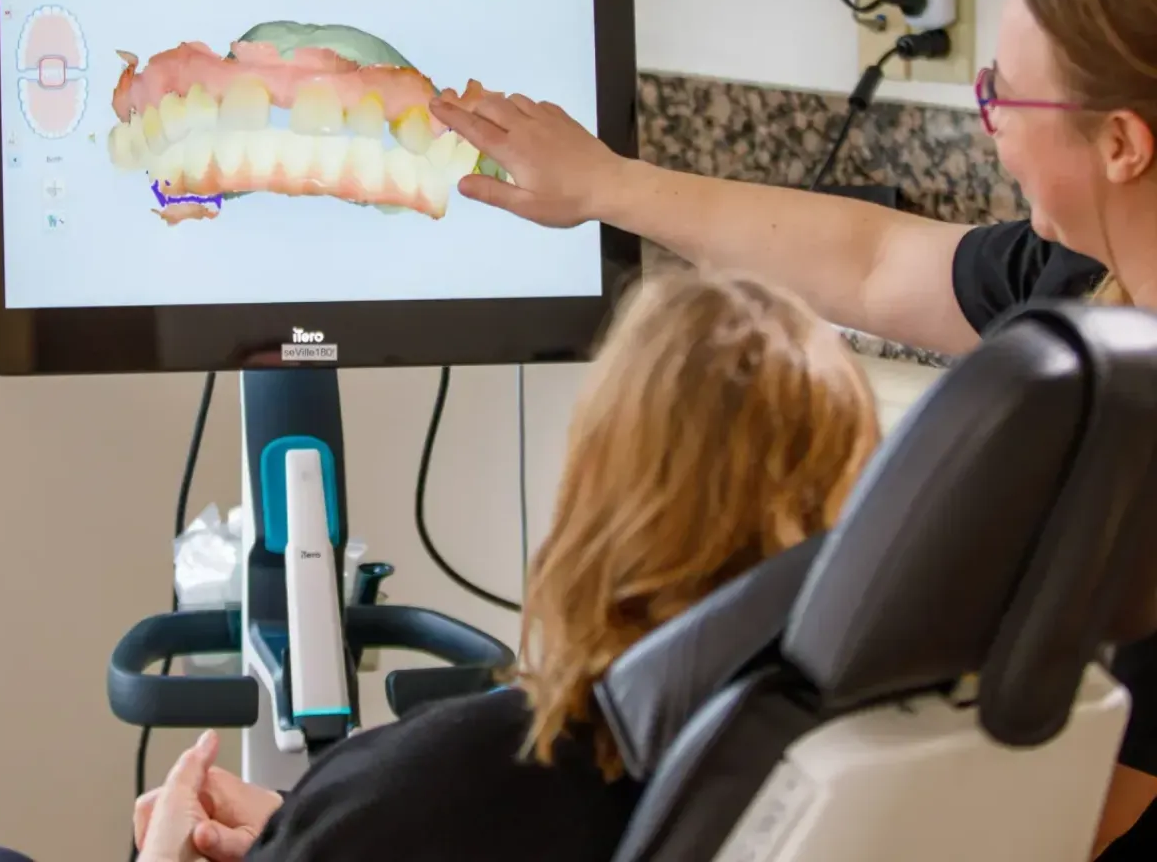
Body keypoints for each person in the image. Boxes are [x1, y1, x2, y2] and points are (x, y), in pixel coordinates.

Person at [428, 0, 1157, 857]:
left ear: (1120, 145)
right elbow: (872, 263)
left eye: (1005, 102)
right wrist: (603, 186)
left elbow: (1105, 808)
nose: (990, 131)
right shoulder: (1081, 278)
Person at [133, 269, 881, 862]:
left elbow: (410, 824)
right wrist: (308, 832)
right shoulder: (839, 764)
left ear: (599, 497)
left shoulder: (458, 778)